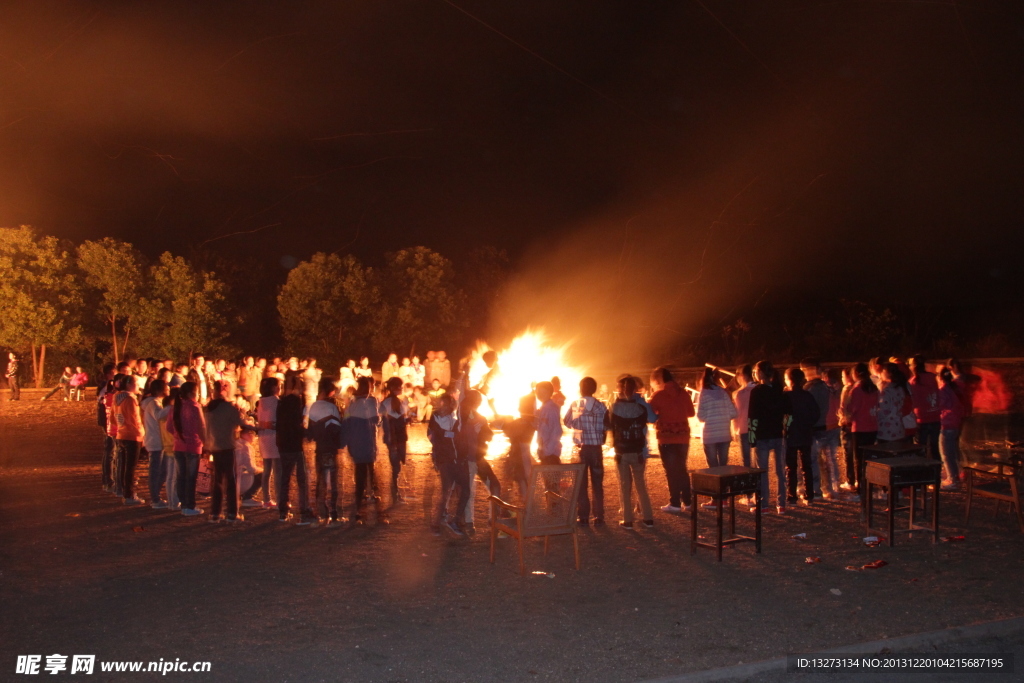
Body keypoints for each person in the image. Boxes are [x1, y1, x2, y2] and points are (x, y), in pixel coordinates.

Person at [607, 376, 655, 529]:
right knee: (641, 485)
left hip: (621, 452)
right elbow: (652, 419)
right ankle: (648, 518)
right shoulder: (641, 407)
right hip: (638, 451)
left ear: (620, 389)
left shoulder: (614, 407)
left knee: (624, 485)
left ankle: (627, 519)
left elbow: (608, 426)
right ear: (635, 389)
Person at [205, 380, 256, 522]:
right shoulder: (228, 407)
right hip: (227, 446)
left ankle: (215, 513)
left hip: (214, 446)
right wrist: (253, 424)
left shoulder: (209, 408)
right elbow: (241, 422)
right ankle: (232, 513)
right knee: (231, 480)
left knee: (217, 480)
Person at [648, 367, 694, 514]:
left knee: (670, 470)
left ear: (659, 380)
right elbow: (691, 413)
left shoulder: (658, 395)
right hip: (683, 436)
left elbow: (650, 415)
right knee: (682, 468)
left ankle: (674, 502)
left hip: (666, 437)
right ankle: (688, 501)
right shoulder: (684, 393)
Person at [564, 376, 608, 525]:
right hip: (596, 449)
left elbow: (567, 422)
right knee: (597, 483)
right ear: (594, 389)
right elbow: (606, 425)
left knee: (581, 484)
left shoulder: (576, 404)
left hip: (581, 448)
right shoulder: (601, 406)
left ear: (581, 389)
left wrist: (579, 426)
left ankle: (583, 516)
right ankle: (599, 517)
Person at [748, 360, 787, 514]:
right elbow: (787, 412)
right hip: (778, 434)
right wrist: (786, 430)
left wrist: (752, 437)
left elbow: (752, 416)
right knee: (780, 471)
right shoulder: (779, 389)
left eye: (756, 371)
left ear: (761, 373)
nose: (755, 374)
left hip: (762, 435)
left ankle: (763, 504)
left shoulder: (757, 391)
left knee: (762, 471)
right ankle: (781, 503)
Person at [343, 376, 383, 524]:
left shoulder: (351, 402)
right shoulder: (371, 401)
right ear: (369, 387)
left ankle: (358, 503)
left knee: (359, 471)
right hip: (367, 440)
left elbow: (345, 420)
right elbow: (376, 420)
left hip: (355, 441)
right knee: (370, 467)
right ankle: (370, 494)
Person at [429, 392, 468, 537]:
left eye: (449, 404)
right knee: (445, 491)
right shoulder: (436, 417)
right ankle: (436, 523)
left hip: (458, 459)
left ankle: (455, 520)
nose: (445, 407)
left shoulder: (456, 417)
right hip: (445, 460)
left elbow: (460, 437)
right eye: (443, 404)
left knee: (463, 490)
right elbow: (432, 437)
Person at [458, 389, 497, 532]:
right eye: (478, 399)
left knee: (492, 486)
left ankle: (491, 521)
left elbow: (488, 435)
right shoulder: (462, 417)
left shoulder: (477, 417)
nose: (479, 402)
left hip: (477, 458)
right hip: (469, 459)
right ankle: (469, 523)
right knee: (470, 490)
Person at [277, 377, 314, 525]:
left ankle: (283, 510)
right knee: (302, 479)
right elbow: (297, 424)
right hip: (294, 445)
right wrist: (307, 433)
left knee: (285, 478)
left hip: (283, 444)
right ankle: (304, 510)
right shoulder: (295, 402)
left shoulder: (281, 403)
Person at [307, 377, 345, 524]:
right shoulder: (332, 407)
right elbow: (337, 427)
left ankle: (321, 510)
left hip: (320, 447)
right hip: (330, 447)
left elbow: (310, 430)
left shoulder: (314, 406)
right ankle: (333, 511)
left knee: (321, 479)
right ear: (330, 392)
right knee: (333, 480)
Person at [168, 381, 206, 517]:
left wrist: (179, 436)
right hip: (193, 445)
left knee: (181, 476)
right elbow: (201, 427)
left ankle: (183, 503)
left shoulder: (175, 407)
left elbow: (169, 427)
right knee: (191, 477)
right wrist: (206, 443)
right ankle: (189, 505)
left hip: (178, 446)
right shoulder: (195, 406)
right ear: (192, 393)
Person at [783, 368, 819, 505]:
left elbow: (785, 415)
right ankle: (809, 495)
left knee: (790, 466)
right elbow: (816, 413)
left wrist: (786, 427)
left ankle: (792, 495)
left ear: (789, 380)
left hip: (791, 435)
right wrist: (808, 423)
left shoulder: (786, 396)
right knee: (806, 465)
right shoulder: (807, 395)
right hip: (805, 433)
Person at [843, 362, 879, 501]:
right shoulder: (873, 388)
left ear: (856, 374)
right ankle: (870, 486)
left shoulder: (857, 389)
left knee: (859, 460)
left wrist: (845, 416)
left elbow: (853, 409)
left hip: (860, 428)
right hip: (872, 426)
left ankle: (861, 490)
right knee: (870, 459)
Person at [113, 375, 146, 505]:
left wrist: (121, 425)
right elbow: (135, 420)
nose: (138, 386)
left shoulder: (117, 397)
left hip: (121, 434)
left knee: (124, 465)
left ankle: (123, 490)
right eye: (136, 383)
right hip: (133, 436)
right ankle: (129, 495)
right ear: (130, 385)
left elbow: (112, 418)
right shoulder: (131, 400)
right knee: (131, 467)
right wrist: (142, 434)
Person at [695, 366, 736, 471]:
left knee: (713, 468)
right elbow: (734, 413)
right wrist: (724, 417)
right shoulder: (723, 392)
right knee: (723, 466)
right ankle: (724, 486)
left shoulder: (703, 394)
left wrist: (709, 417)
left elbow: (700, 416)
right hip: (724, 433)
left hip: (710, 435)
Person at [800, 359, 830, 500]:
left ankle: (815, 489)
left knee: (812, 460)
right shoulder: (824, 386)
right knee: (822, 459)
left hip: (812, 427)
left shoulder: (810, 388)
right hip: (822, 425)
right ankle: (826, 489)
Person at [141, 379, 172, 509]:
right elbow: (159, 415)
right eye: (166, 387)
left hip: (159, 441)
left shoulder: (153, 402)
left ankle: (156, 496)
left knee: (162, 470)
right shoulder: (153, 403)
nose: (168, 389)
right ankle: (155, 498)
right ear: (160, 390)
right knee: (156, 471)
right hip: (155, 441)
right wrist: (172, 407)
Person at [381, 377, 411, 505]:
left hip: (398, 434)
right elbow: (384, 420)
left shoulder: (402, 400)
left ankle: (396, 490)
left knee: (397, 462)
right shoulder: (387, 402)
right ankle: (395, 491)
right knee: (395, 463)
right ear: (393, 388)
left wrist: (406, 419)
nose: (401, 389)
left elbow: (403, 416)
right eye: (399, 387)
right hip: (393, 435)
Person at [909, 355, 942, 461]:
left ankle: (921, 471)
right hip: (935, 416)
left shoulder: (913, 382)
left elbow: (912, 401)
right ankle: (936, 472)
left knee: (920, 448)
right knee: (935, 448)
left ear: (913, 366)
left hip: (921, 418)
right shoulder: (932, 377)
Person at [256, 378, 282, 509]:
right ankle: (279, 500)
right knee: (278, 471)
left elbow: (261, 421)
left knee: (267, 470)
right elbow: (278, 422)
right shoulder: (276, 402)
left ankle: (266, 499)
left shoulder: (261, 402)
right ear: (274, 388)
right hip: (275, 438)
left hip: (264, 438)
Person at [937, 367, 964, 490]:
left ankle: (952, 479)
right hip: (955, 423)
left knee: (946, 453)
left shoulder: (943, 390)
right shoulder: (954, 388)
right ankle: (955, 476)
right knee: (952, 452)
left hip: (947, 424)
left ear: (940, 377)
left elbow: (939, 406)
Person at [506, 394, 537, 498]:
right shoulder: (531, 422)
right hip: (523, 457)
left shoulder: (522, 423)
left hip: (520, 458)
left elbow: (509, 431)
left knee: (523, 482)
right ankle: (527, 505)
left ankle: (527, 507)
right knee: (523, 481)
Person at [877, 363, 911, 444]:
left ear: (887, 373)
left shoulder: (886, 391)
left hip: (886, 430)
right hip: (899, 428)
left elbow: (883, 410)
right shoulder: (900, 388)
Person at [534, 381, 563, 465]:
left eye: (541, 391)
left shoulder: (551, 409)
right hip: (545, 452)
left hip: (551, 455)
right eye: (537, 391)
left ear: (549, 392)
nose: (538, 394)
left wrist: (547, 451)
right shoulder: (544, 408)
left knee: (551, 477)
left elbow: (557, 431)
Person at [234, 429, 264, 509]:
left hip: (231, 479)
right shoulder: (246, 446)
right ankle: (248, 497)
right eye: (253, 434)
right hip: (241, 478)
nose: (254, 437)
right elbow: (251, 468)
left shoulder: (235, 443)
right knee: (264, 474)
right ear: (246, 434)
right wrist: (261, 469)